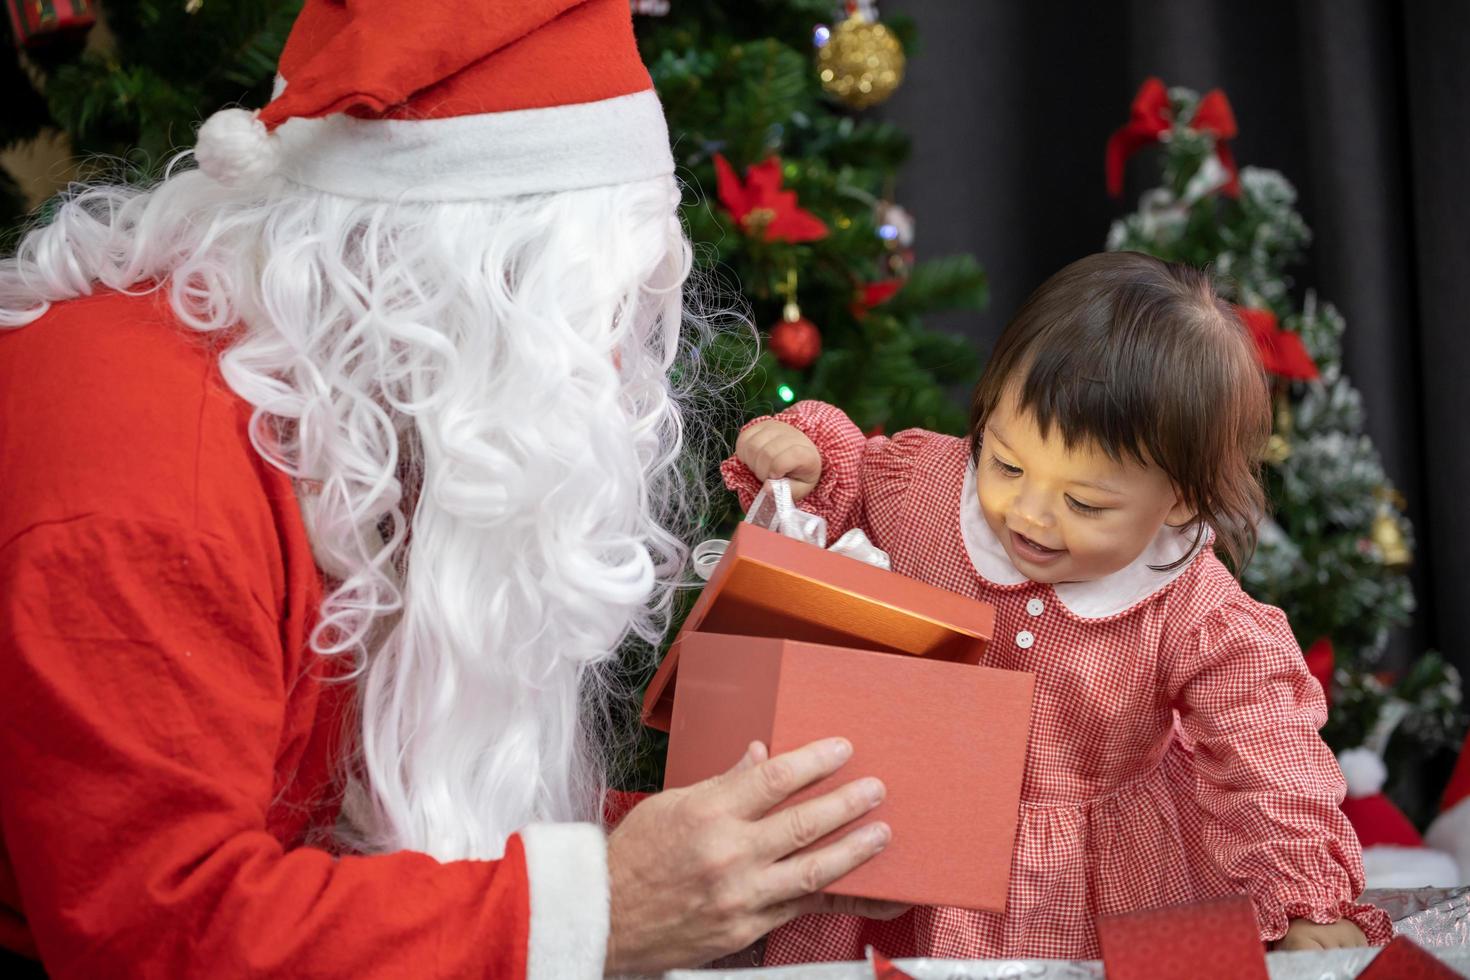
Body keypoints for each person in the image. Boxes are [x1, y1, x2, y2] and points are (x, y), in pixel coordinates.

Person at [0, 2, 899, 976]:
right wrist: (606, 907)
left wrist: (730, 856)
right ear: (465, 288)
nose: (615, 373)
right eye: (592, 314)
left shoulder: (351, 406)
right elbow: (160, 933)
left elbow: (370, 813)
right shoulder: (146, 478)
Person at [727, 251, 1392, 962]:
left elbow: (1265, 751)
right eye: (1007, 464)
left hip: (1090, 888)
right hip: (906, 841)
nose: (1031, 516)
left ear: (1182, 500)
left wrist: (1305, 898)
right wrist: (812, 464)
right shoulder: (927, 489)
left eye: (1084, 502)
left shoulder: (1192, 607)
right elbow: (850, 486)